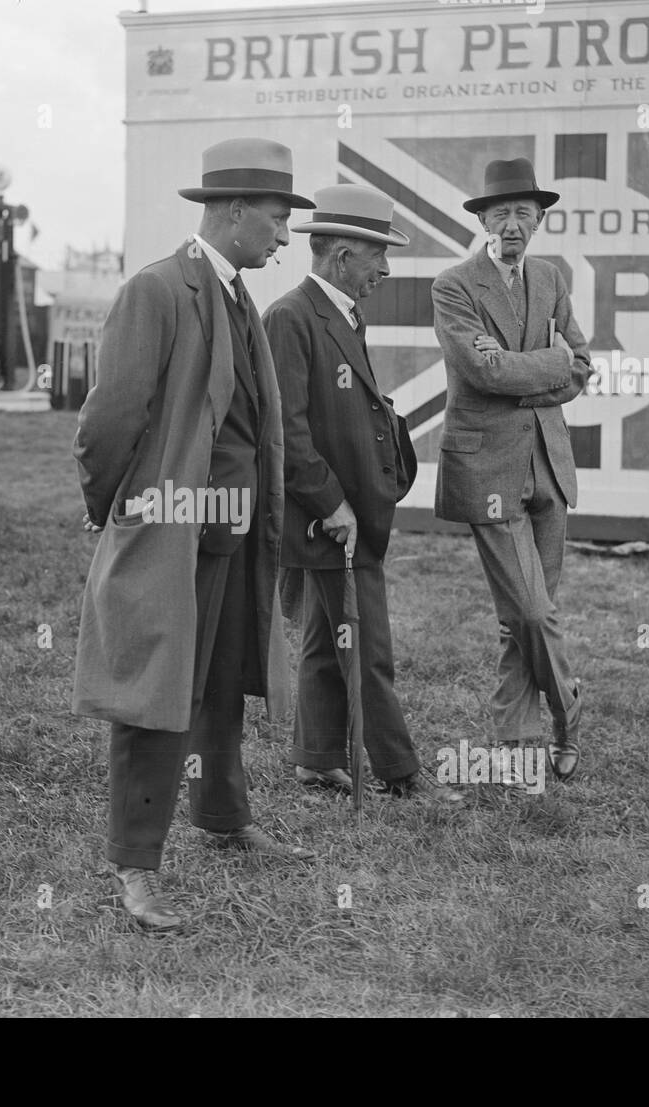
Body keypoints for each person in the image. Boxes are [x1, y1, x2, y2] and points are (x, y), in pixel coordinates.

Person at [72, 138, 318, 931]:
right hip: (175, 535)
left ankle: (224, 816)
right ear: (235, 209)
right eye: (278, 221)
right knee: (155, 696)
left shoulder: (238, 294)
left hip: (236, 536)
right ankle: (137, 867)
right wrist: (119, 509)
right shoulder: (157, 290)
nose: (285, 238)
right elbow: (110, 419)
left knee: (222, 686)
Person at [264, 184, 462, 804]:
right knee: (368, 649)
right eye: (378, 255)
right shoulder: (291, 318)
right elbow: (287, 433)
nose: (385, 270)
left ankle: (319, 760)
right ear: (343, 254)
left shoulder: (341, 311)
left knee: (329, 639)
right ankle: (401, 776)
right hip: (329, 520)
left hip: (348, 516)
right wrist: (333, 504)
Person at [430, 157, 591, 783]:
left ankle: (515, 745)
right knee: (529, 609)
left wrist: (540, 369)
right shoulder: (454, 285)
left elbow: (579, 365)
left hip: (549, 464)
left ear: (541, 219)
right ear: (483, 221)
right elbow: (484, 372)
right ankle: (568, 711)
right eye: (501, 214)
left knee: (525, 612)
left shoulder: (551, 277)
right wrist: (545, 368)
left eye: (525, 213)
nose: (513, 224)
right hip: (487, 469)